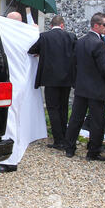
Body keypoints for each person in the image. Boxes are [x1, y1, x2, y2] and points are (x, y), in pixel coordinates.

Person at [63, 13, 105, 161]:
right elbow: (104, 68)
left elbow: (73, 65)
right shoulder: (99, 44)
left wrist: (76, 82)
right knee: (97, 122)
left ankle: (69, 149)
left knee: (76, 119)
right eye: (104, 25)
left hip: (82, 88)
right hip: (98, 89)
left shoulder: (80, 41)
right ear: (96, 25)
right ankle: (93, 152)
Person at [0, 14, 48, 172]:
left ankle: (10, 160)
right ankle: (6, 155)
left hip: (11, 81)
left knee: (10, 120)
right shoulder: (29, 34)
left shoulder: (2, 28)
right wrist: (33, 29)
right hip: (18, 81)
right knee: (13, 119)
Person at [28, 16, 77, 150]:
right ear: (62, 25)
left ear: (51, 25)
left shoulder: (44, 37)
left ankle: (58, 140)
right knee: (63, 107)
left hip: (50, 79)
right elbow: (76, 54)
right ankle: (66, 137)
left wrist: (41, 52)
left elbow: (32, 50)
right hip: (66, 79)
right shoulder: (71, 37)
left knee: (53, 108)